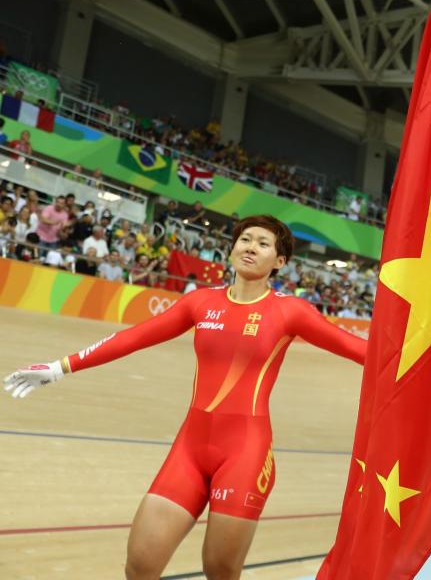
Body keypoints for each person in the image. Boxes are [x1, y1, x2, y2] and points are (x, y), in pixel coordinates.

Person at [4, 215, 368, 579]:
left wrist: (418, 364)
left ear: (280, 262)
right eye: (245, 239)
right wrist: (58, 367)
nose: (250, 247)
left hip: (245, 451)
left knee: (219, 570)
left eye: (262, 243)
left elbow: (363, 352)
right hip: (190, 448)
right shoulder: (200, 303)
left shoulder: (290, 311)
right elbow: (134, 338)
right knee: (140, 566)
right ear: (231, 248)